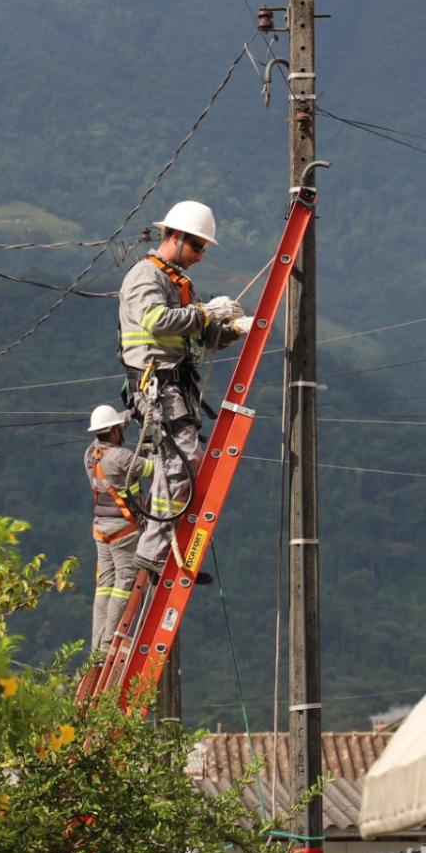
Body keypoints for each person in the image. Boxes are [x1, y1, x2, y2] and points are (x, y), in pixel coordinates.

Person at [117, 200, 252, 574]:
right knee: (183, 461)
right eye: (197, 246)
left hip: (174, 386)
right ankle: (156, 550)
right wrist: (206, 311)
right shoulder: (147, 276)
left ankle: (160, 549)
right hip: (156, 385)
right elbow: (156, 320)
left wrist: (231, 329)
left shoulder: (177, 282)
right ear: (174, 237)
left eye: (203, 248)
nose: (200, 256)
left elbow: (199, 334)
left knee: (177, 464)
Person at [84, 403, 149, 655]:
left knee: (104, 587)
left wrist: (129, 414)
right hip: (124, 530)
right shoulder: (122, 457)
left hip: (101, 529)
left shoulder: (90, 453)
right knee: (123, 583)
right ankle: (110, 640)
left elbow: (113, 426)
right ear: (113, 432)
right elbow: (152, 467)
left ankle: (97, 646)